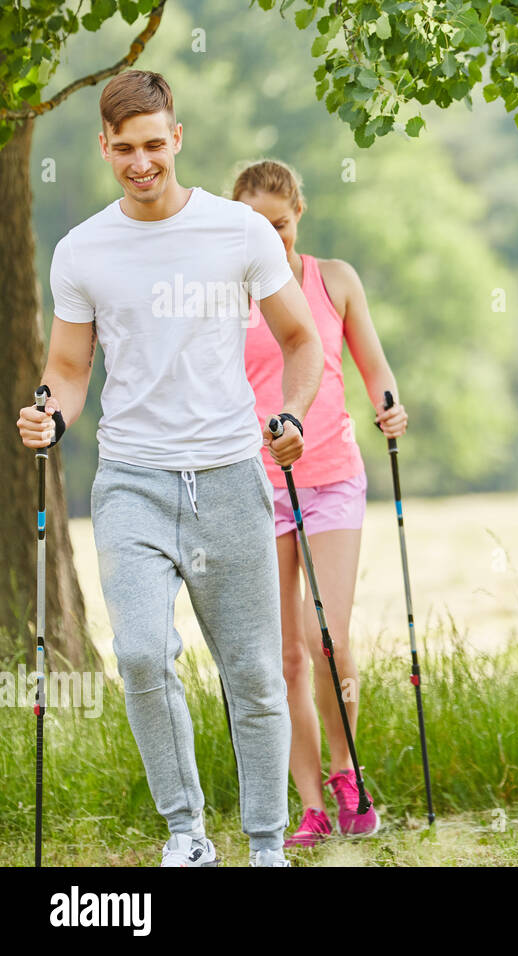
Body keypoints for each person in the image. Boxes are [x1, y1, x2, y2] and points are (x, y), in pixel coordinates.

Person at [15, 70, 324, 866]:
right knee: (143, 655)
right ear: (104, 147)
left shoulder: (240, 233)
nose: (142, 162)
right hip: (131, 483)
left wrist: (287, 416)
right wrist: (49, 408)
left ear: (178, 137)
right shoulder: (83, 249)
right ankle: (186, 834)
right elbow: (70, 367)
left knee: (254, 673)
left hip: (227, 476)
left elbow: (301, 341)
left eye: (156, 144)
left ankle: (264, 843)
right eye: (126, 148)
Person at [234, 160, 407, 847]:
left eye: (278, 224)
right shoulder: (226, 295)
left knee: (322, 634)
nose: (269, 238)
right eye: (254, 227)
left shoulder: (333, 279)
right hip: (254, 486)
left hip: (332, 475)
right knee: (283, 656)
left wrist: (390, 406)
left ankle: (346, 770)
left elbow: (374, 365)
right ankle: (308, 804)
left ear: (298, 213)